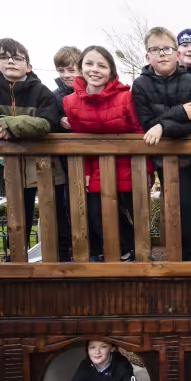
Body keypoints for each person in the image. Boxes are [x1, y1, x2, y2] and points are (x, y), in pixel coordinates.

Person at [0, 38, 70, 261]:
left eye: (17, 57)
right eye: (3, 57)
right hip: (14, 164)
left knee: (57, 212)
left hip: (45, 162)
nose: (10, 61)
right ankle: (15, 257)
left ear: (29, 66)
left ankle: (62, 254)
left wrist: (10, 125)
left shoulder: (42, 92)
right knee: (17, 214)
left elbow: (47, 123)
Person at [63, 46, 147, 261]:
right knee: (96, 214)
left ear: (111, 70)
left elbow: (139, 132)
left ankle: (140, 253)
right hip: (97, 168)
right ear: (81, 68)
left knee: (135, 214)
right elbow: (82, 140)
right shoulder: (71, 102)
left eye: (102, 65)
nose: (95, 70)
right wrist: (87, 170)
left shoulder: (126, 97)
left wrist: (147, 169)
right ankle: (117, 252)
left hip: (130, 166)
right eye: (89, 64)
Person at [132, 27, 191, 261]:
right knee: (171, 208)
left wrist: (162, 126)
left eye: (166, 48)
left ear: (177, 54)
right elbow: (146, 124)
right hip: (161, 159)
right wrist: (180, 112)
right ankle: (177, 256)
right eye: (155, 49)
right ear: (147, 56)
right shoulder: (140, 85)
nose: (161, 54)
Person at [52, 46, 82, 123]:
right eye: (61, 71)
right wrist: (60, 121)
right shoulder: (54, 96)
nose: (66, 75)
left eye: (71, 70)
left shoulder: (94, 92)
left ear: (82, 70)